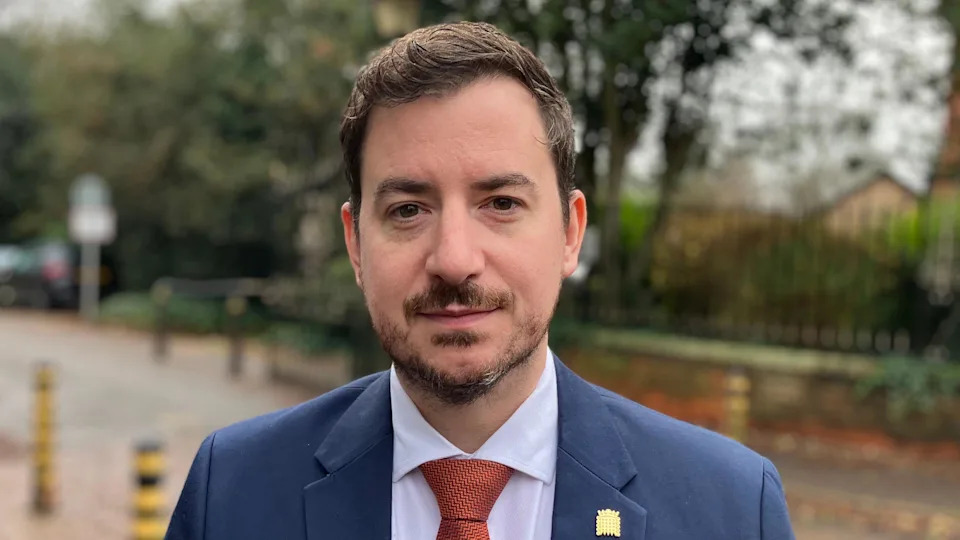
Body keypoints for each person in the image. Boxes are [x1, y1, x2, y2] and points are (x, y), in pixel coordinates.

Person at [166, 21, 795, 540]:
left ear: (570, 233)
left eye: (500, 203)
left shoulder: (733, 510)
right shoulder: (232, 494)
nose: (455, 259)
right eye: (408, 210)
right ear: (356, 243)